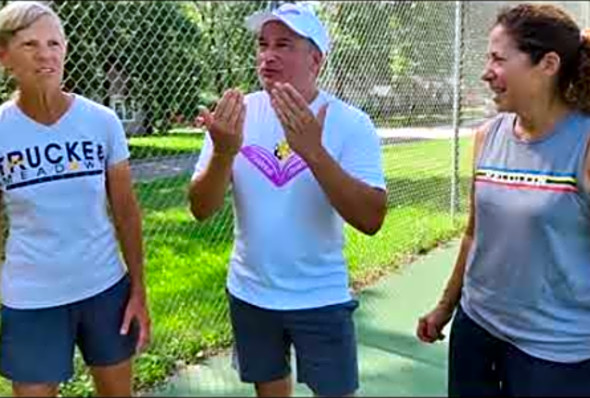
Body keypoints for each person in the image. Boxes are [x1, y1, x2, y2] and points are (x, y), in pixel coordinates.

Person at [188, 2, 387, 396]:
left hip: (320, 295)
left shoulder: (350, 123)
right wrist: (224, 151)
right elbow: (201, 209)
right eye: (263, 44)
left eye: (284, 45)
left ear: (316, 59)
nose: (268, 55)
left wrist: (313, 151)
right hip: (250, 291)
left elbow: (371, 219)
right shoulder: (236, 114)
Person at [416, 3, 590, 397]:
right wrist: (446, 307)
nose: (485, 72)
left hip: (555, 354)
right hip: (476, 329)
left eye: (498, 58)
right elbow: (475, 233)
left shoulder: (585, 145)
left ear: (547, 64)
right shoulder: (487, 136)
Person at [0, 2, 150, 396]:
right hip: (30, 298)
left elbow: (126, 211)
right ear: (4, 56)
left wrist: (138, 291)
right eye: (30, 44)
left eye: (54, 43)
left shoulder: (101, 121)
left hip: (105, 289)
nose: (46, 54)